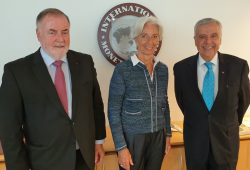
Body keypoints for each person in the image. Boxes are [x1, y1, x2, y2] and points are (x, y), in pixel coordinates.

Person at [0, 8, 106, 170]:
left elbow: (95, 105)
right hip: (44, 161)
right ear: (38, 34)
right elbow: (9, 129)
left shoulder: (84, 62)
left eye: (65, 32)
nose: (60, 38)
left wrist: (99, 141)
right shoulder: (16, 71)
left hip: (84, 156)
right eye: (52, 32)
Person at [174, 18, 250, 170]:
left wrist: (227, 124)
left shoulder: (238, 66)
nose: (208, 41)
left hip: (226, 146)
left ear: (220, 39)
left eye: (213, 36)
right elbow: (183, 103)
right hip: (195, 146)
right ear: (195, 40)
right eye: (202, 36)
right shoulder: (181, 68)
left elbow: (243, 102)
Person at [108, 16, 172, 170]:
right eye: (144, 36)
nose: (150, 41)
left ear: (158, 40)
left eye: (154, 36)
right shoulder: (123, 70)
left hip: (158, 137)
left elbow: (165, 103)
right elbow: (113, 110)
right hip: (132, 138)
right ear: (136, 39)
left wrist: (168, 134)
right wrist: (121, 147)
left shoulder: (163, 69)